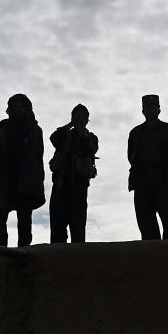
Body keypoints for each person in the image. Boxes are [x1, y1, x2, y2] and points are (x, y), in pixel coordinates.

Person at [0, 94, 45, 247]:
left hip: (26, 181)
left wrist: (37, 181)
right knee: (0, 218)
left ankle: (24, 251)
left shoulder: (35, 130)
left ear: (27, 109)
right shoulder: (0, 130)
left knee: (25, 219)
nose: (18, 110)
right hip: (4, 180)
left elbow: (38, 157)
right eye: (15, 106)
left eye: (22, 106)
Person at [127, 94, 168, 239]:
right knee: (146, 225)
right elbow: (131, 156)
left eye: (154, 107)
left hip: (164, 179)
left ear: (159, 110)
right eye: (147, 107)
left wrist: (167, 167)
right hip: (141, 180)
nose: (151, 110)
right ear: (143, 111)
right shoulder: (135, 133)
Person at [48, 104, 99, 243]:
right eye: (75, 116)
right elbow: (53, 138)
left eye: (82, 117)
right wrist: (70, 124)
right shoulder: (64, 135)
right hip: (59, 188)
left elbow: (91, 150)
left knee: (78, 231)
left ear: (87, 120)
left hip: (79, 189)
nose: (78, 119)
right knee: (57, 232)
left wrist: (82, 132)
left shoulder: (91, 137)